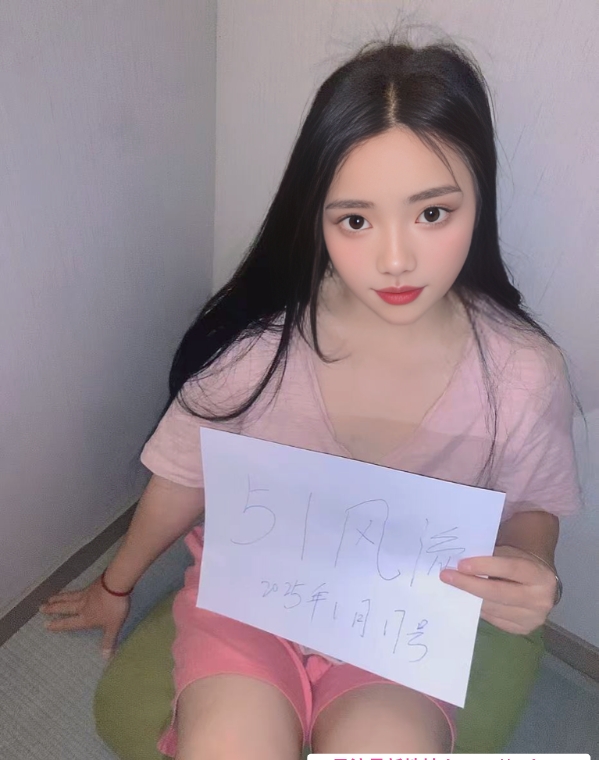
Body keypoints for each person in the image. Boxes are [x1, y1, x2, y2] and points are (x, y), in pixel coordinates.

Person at [41, 38, 581, 758]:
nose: (395, 259)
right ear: (316, 219)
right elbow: (183, 475)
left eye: (431, 214)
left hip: (404, 623)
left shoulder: (521, 371)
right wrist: (114, 586)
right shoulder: (258, 348)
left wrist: (532, 566)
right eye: (355, 220)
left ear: (477, 199)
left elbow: (532, 501)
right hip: (252, 602)